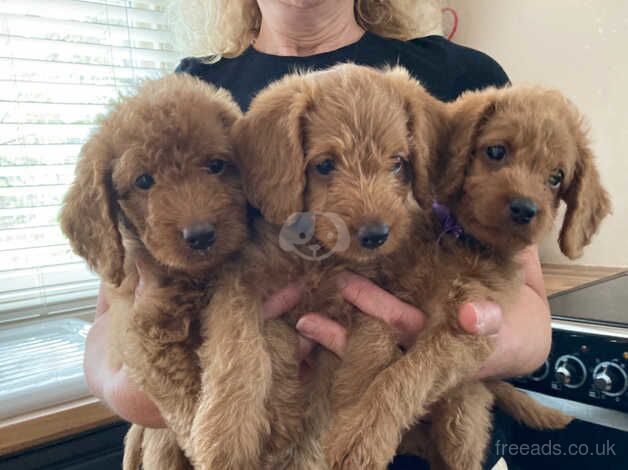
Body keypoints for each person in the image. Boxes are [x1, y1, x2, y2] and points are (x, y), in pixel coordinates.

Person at [84, 1, 552, 467]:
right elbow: (113, 319)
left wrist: (436, 348)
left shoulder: (458, 76)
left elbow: (531, 316)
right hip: (238, 433)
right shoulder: (194, 95)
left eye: (397, 164)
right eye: (325, 166)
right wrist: (183, 386)